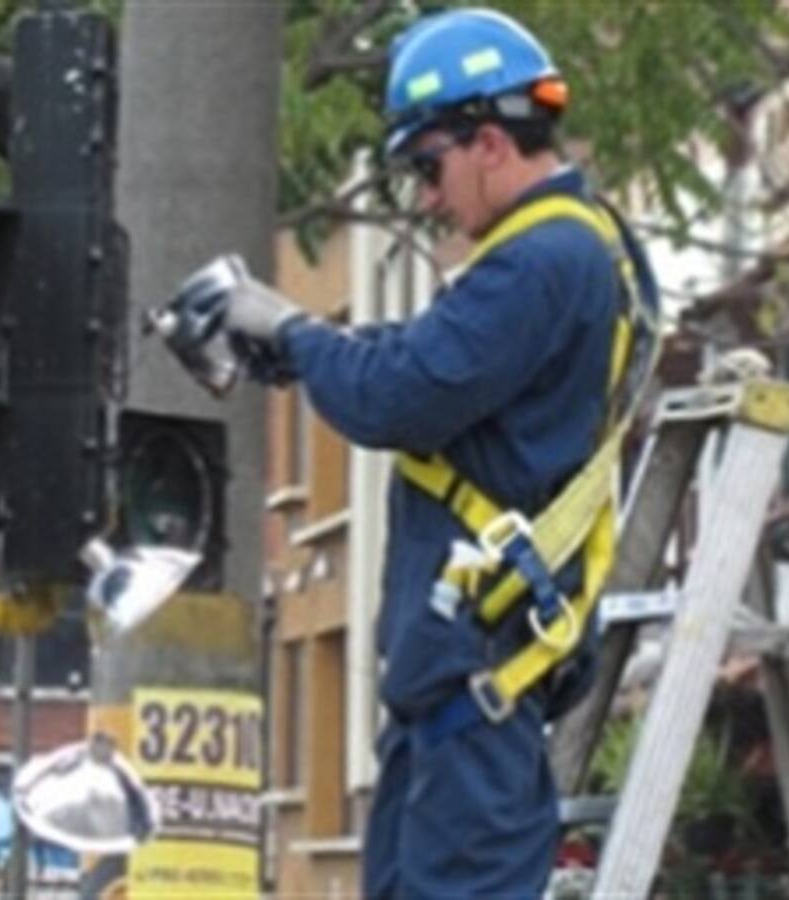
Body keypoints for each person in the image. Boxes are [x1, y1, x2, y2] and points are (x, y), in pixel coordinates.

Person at [162, 8, 658, 897]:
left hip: (478, 707)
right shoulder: (546, 258)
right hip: (451, 714)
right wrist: (294, 350)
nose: (428, 197)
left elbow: (396, 394)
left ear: (491, 140)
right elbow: (414, 371)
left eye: (429, 166)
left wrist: (295, 331)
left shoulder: (544, 260)